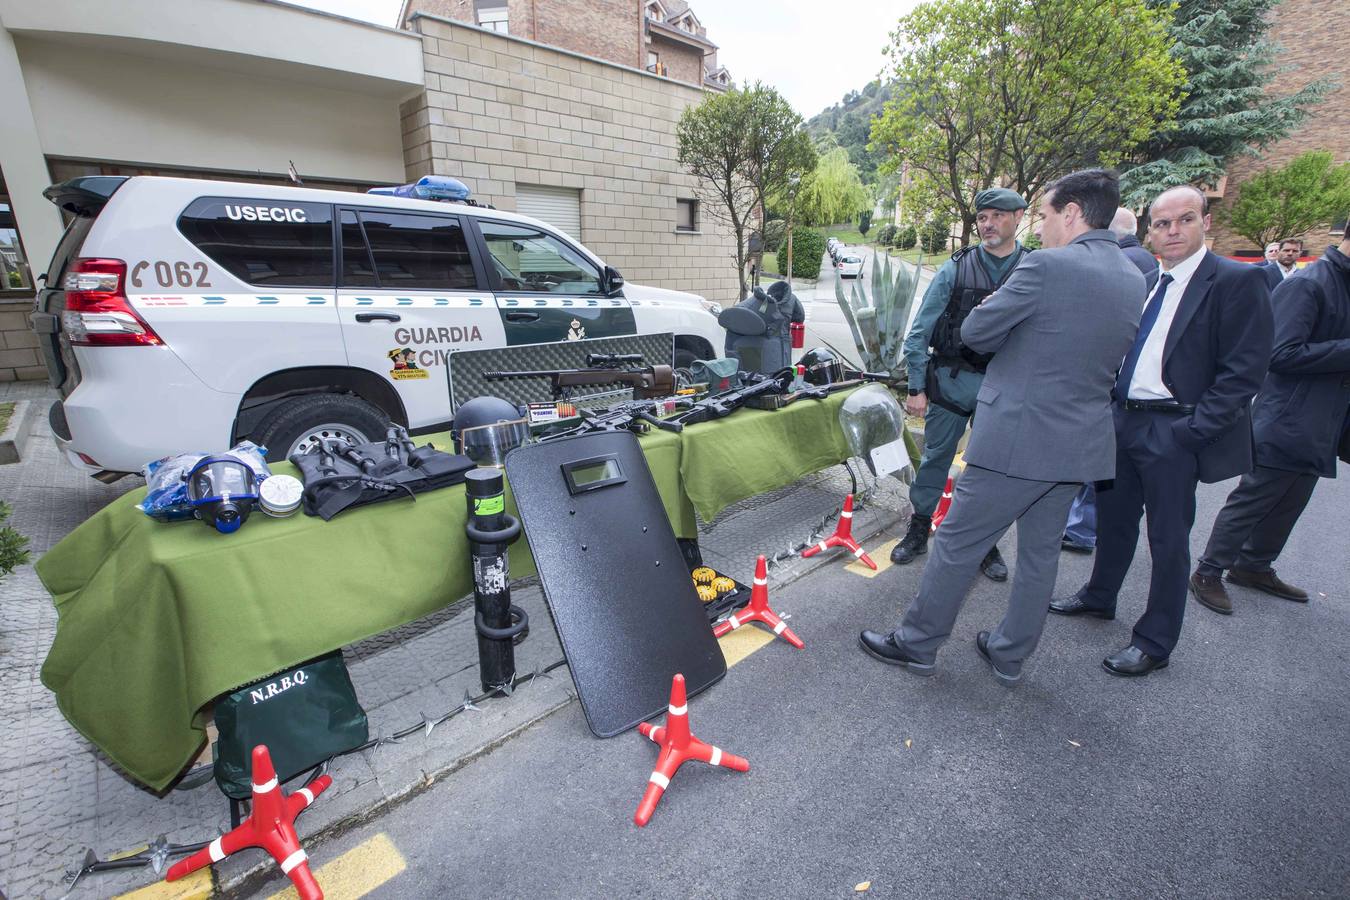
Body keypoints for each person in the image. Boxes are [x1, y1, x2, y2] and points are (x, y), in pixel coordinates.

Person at [859, 169, 1142, 684]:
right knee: (1039, 555)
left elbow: (976, 331)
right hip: (1080, 443)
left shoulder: (1046, 269)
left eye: (1047, 215)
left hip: (1016, 439)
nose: (1044, 226)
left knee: (957, 543)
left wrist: (993, 307)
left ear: (1073, 213)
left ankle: (917, 642)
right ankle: (1010, 653)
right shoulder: (1132, 276)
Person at [1049, 185, 1274, 677]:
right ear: (1150, 229)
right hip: (1124, 420)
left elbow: (1244, 373)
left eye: (1184, 220)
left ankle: (1154, 640)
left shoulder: (1235, 281)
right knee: (1113, 520)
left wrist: (1191, 433)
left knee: (1168, 540)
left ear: (1205, 223)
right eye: (1162, 223)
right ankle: (1100, 595)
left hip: (1173, 430)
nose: (1173, 231)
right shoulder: (1152, 277)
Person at [1189, 234, 1350, 613]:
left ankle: (1253, 566)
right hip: (1288, 417)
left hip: (1322, 419)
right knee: (1255, 496)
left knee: (1291, 500)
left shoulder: (1337, 283)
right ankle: (1208, 571)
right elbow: (1280, 353)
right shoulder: (1310, 283)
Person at [890, 188, 1031, 582]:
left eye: (997, 216)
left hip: (1004, 391)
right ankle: (919, 527)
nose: (987, 224)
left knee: (989, 472)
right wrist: (916, 388)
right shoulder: (956, 269)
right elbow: (919, 332)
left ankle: (984, 542)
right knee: (936, 458)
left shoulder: (1033, 268)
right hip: (952, 385)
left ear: (1018, 216)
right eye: (982, 217)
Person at [1063, 207, 1161, 554]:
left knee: (1094, 468)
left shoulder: (1123, 266)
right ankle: (1083, 529)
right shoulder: (1148, 263)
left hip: (1106, 384)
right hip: (1117, 384)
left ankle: (1080, 528)